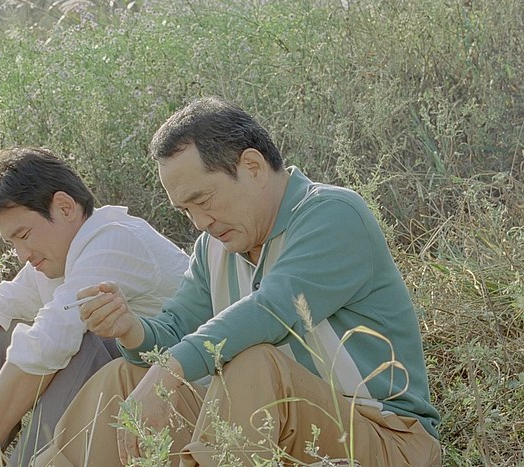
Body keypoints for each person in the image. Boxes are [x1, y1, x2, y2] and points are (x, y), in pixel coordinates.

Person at [35, 97, 442, 467]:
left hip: (386, 440)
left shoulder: (333, 214)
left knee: (254, 362)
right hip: (287, 437)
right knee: (124, 378)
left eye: (203, 200)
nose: (200, 222)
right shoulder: (212, 248)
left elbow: (271, 310)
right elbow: (174, 332)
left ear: (253, 167)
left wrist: (171, 368)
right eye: (185, 211)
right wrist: (130, 329)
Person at [0, 147, 189, 466]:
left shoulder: (115, 241)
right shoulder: (55, 260)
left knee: (84, 343)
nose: (22, 254)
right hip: (129, 392)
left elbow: (46, 346)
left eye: (24, 235)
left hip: (175, 400)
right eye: (13, 243)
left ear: (65, 207)